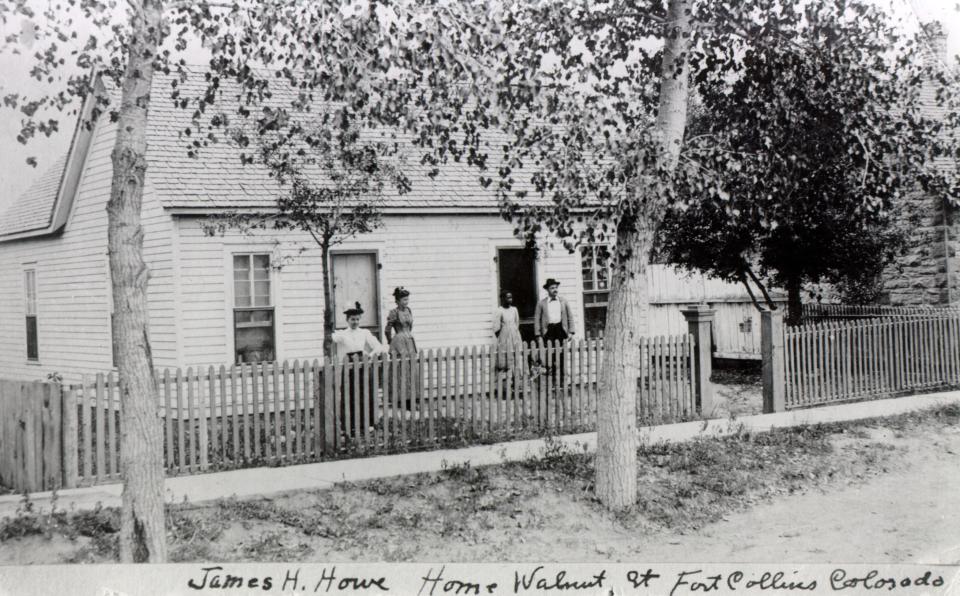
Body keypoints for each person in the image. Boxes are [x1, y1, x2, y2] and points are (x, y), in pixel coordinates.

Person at [332, 302, 387, 437]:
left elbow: (378, 346)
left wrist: (369, 355)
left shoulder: (364, 332)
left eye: (357, 319)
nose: (355, 322)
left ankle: (365, 425)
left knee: (364, 394)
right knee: (349, 395)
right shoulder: (343, 334)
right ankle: (348, 426)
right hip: (349, 367)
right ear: (347, 320)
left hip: (362, 366)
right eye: (352, 319)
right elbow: (330, 338)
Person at [534, 278, 575, 385]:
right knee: (549, 357)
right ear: (547, 290)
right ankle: (551, 382)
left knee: (562, 356)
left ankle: (562, 382)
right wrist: (538, 335)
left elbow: (570, 316)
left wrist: (571, 332)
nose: (555, 290)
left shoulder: (563, 301)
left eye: (556, 287)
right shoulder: (541, 303)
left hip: (561, 330)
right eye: (552, 288)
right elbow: (537, 319)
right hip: (549, 331)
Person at [386, 286, 418, 409]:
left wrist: (408, 335)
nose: (406, 302)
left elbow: (411, 326)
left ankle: (411, 400)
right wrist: (391, 342)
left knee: (411, 369)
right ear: (398, 301)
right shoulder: (393, 312)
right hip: (399, 341)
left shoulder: (409, 310)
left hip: (409, 340)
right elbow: (387, 329)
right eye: (404, 300)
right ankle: (400, 400)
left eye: (407, 299)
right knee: (401, 370)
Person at [494, 291, 523, 373]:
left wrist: (514, 332)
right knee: (506, 355)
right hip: (504, 336)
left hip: (515, 334)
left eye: (511, 297)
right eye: (508, 297)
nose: (510, 299)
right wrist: (502, 337)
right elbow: (496, 327)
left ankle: (517, 375)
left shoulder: (514, 309)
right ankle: (507, 376)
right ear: (502, 299)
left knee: (516, 353)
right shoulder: (499, 310)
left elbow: (517, 322)